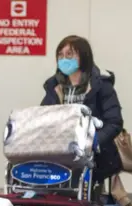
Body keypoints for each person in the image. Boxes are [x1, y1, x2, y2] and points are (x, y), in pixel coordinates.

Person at [41, 35, 124, 190]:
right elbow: (43, 118)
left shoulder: (101, 86)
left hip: (97, 159)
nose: (64, 59)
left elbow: (114, 122)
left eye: (70, 54)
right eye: (60, 55)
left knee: (93, 203)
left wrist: (93, 142)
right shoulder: (54, 87)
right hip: (61, 157)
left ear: (84, 56)